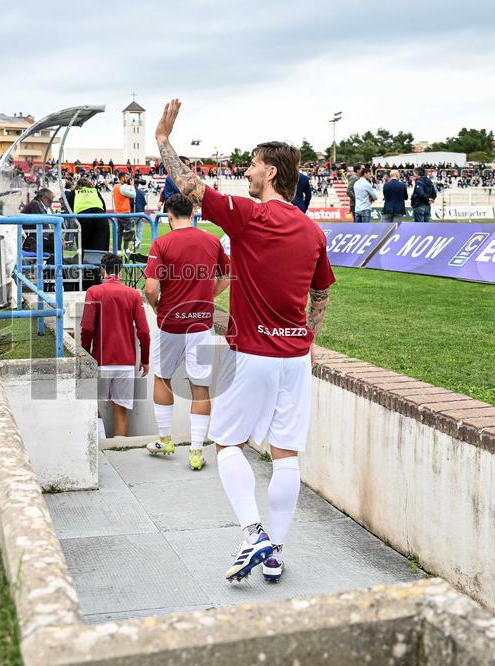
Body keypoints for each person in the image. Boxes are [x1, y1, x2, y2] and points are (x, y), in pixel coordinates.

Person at [155, 99, 335, 584]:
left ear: (271, 172)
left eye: (253, 164)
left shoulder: (249, 215)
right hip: (295, 359)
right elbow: (321, 294)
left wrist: (164, 141)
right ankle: (275, 553)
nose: (247, 171)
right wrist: (308, 337)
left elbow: (190, 187)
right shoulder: (313, 231)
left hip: (252, 354)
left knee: (227, 443)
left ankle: (253, 533)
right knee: (286, 454)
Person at [143, 193, 231, 472]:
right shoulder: (212, 241)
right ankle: (195, 451)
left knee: (162, 377)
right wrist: (209, 295)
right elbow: (226, 276)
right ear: (193, 214)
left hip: (170, 322)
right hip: (201, 323)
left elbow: (150, 288)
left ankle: (165, 440)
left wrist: (156, 306)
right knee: (200, 387)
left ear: (169, 216)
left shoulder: (161, 243)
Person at [80, 252, 151, 438]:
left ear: (102, 270)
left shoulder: (93, 292)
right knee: (120, 413)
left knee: (91, 407)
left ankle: (101, 442)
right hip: (126, 362)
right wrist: (145, 359)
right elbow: (144, 332)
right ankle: (119, 449)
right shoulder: (133, 294)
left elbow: (87, 329)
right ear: (121, 271)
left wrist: (84, 356)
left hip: (101, 360)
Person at [65, 177, 109, 252]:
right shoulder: (95, 191)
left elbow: (70, 207)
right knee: (101, 247)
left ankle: (84, 258)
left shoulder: (74, 192)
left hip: (83, 218)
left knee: (84, 248)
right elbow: (103, 206)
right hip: (100, 217)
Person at [20, 188, 55, 253]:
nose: (51, 202)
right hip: (31, 240)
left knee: (56, 241)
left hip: (34, 237)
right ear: (44, 198)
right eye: (51, 200)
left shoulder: (37, 204)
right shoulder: (35, 204)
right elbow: (44, 222)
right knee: (56, 243)